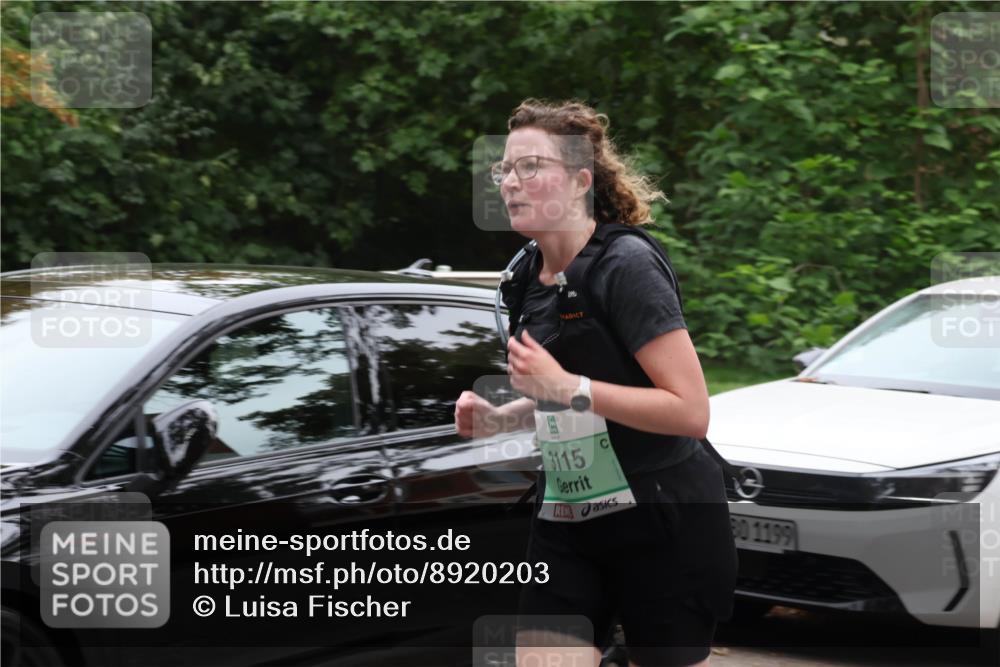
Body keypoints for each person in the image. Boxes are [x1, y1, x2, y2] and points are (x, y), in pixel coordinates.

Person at [455, 98, 738, 667]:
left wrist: (568, 387)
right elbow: (565, 398)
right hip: (569, 514)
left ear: (581, 180)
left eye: (529, 166)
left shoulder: (626, 266)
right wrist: (503, 417)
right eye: (503, 169)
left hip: (662, 517)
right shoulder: (522, 279)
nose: (510, 181)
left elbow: (689, 411)